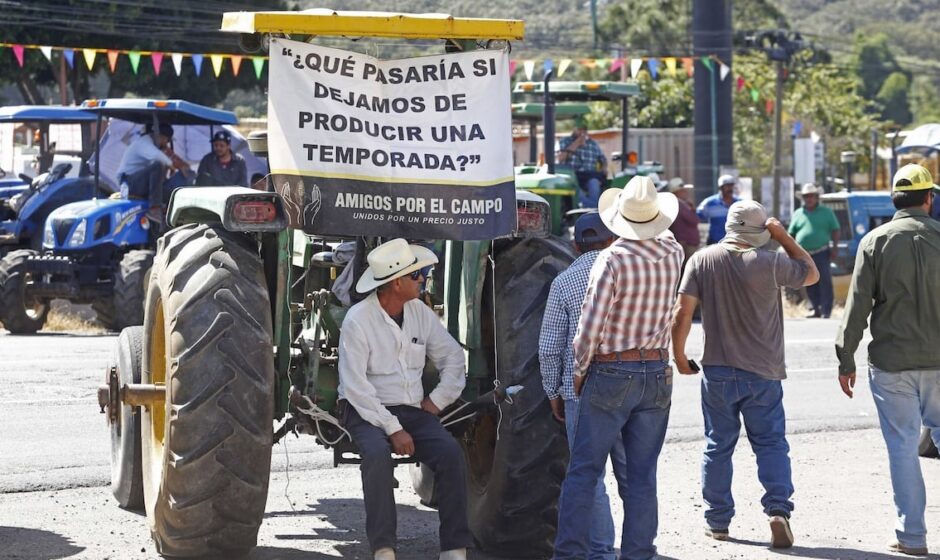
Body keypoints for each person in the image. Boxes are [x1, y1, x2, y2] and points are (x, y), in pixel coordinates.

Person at [672, 200, 818, 549]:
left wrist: (678, 356)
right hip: (763, 371)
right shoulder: (771, 261)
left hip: (718, 370)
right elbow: (811, 273)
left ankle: (718, 521)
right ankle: (778, 509)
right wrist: (783, 236)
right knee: (770, 443)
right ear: (760, 232)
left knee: (717, 445)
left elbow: (682, 312)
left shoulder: (702, 260)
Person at [553, 176, 684, 560]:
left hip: (611, 371)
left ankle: (570, 555)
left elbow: (589, 329)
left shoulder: (611, 259)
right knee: (642, 477)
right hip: (656, 371)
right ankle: (638, 554)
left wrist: (578, 373)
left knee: (584, 472)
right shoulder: (674, 251)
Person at [337, 238, 471, 560]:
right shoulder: (357, 320)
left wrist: (437, 400)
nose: (423, 279)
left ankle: (454, 549)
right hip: (365, 410)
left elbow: (453, 357)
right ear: (396, 283)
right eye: (416, 274)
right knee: (377, 455)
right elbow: (356, 388)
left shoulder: (420, 313)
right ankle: (384, 549)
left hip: (411, 409)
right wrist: (393, 428)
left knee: (451, 453)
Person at [835, 163, 940, 557]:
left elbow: (857, 307)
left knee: (902, 448)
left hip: (892, 365)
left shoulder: (874, 242)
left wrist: (845, 357)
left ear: (895, 200)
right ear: (929, 198)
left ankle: (912, 537)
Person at [539, 211, 625, 560]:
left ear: (574, 246)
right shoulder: (631, 274)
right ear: (612, 240)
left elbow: (549, 348)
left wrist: (553, 392)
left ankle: (601, 552)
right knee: (634, 477)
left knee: (590, 476)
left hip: (581, 388)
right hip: (631, 382)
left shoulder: (564, 281)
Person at [116, 122, 190, 225]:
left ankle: (172, 209)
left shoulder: (152, 146)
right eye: (167, 140)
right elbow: (158, 157)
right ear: (161, 137)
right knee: (158, 165)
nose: (166, 144)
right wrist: (172, 166)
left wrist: (181, 168)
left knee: (176, 178)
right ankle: (154, 209)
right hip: (129, 183)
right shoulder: (143, 143)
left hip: (138, 182)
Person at [788, 183, 840, 318]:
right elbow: (791, 233)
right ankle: (815, 308)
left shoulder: (826, 212)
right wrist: (791, 250)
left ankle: (826, 310)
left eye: (811, 196)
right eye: (806, 196)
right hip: (804, 253)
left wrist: (835, 248)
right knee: (809, 281)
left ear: (817, 197)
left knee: (825, 281)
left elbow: (835, 230)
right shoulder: (798, 213)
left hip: (822, 252)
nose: (809, 199)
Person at [558, 117, 607, 208]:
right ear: (574, 129)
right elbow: (560, 158)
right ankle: (592, 209)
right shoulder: (564, 141)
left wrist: (604, 169)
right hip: (572, 175)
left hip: (590, 175)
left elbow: (603, 160)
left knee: (594, 183)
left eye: (584, 130)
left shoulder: (593, 144)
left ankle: (591, 208)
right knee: (576, 190)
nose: (582, 132)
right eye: (579, 129)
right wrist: (577, 143)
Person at [697, 174, 740, 245]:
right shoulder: (709, 203)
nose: (730, 188)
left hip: (735, 243)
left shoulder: (740, 203)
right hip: (715, 243)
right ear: (721, 187)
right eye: (727, 186)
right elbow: (697, 217)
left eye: (731, 185)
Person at [666, 177, 700, 264]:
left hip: (686, 242)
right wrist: (692, 210)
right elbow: (694, 220)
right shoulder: (679, 203)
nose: (686, 192)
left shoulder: (681, 203)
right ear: (677, 191)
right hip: (686, 243)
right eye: (683, 190)